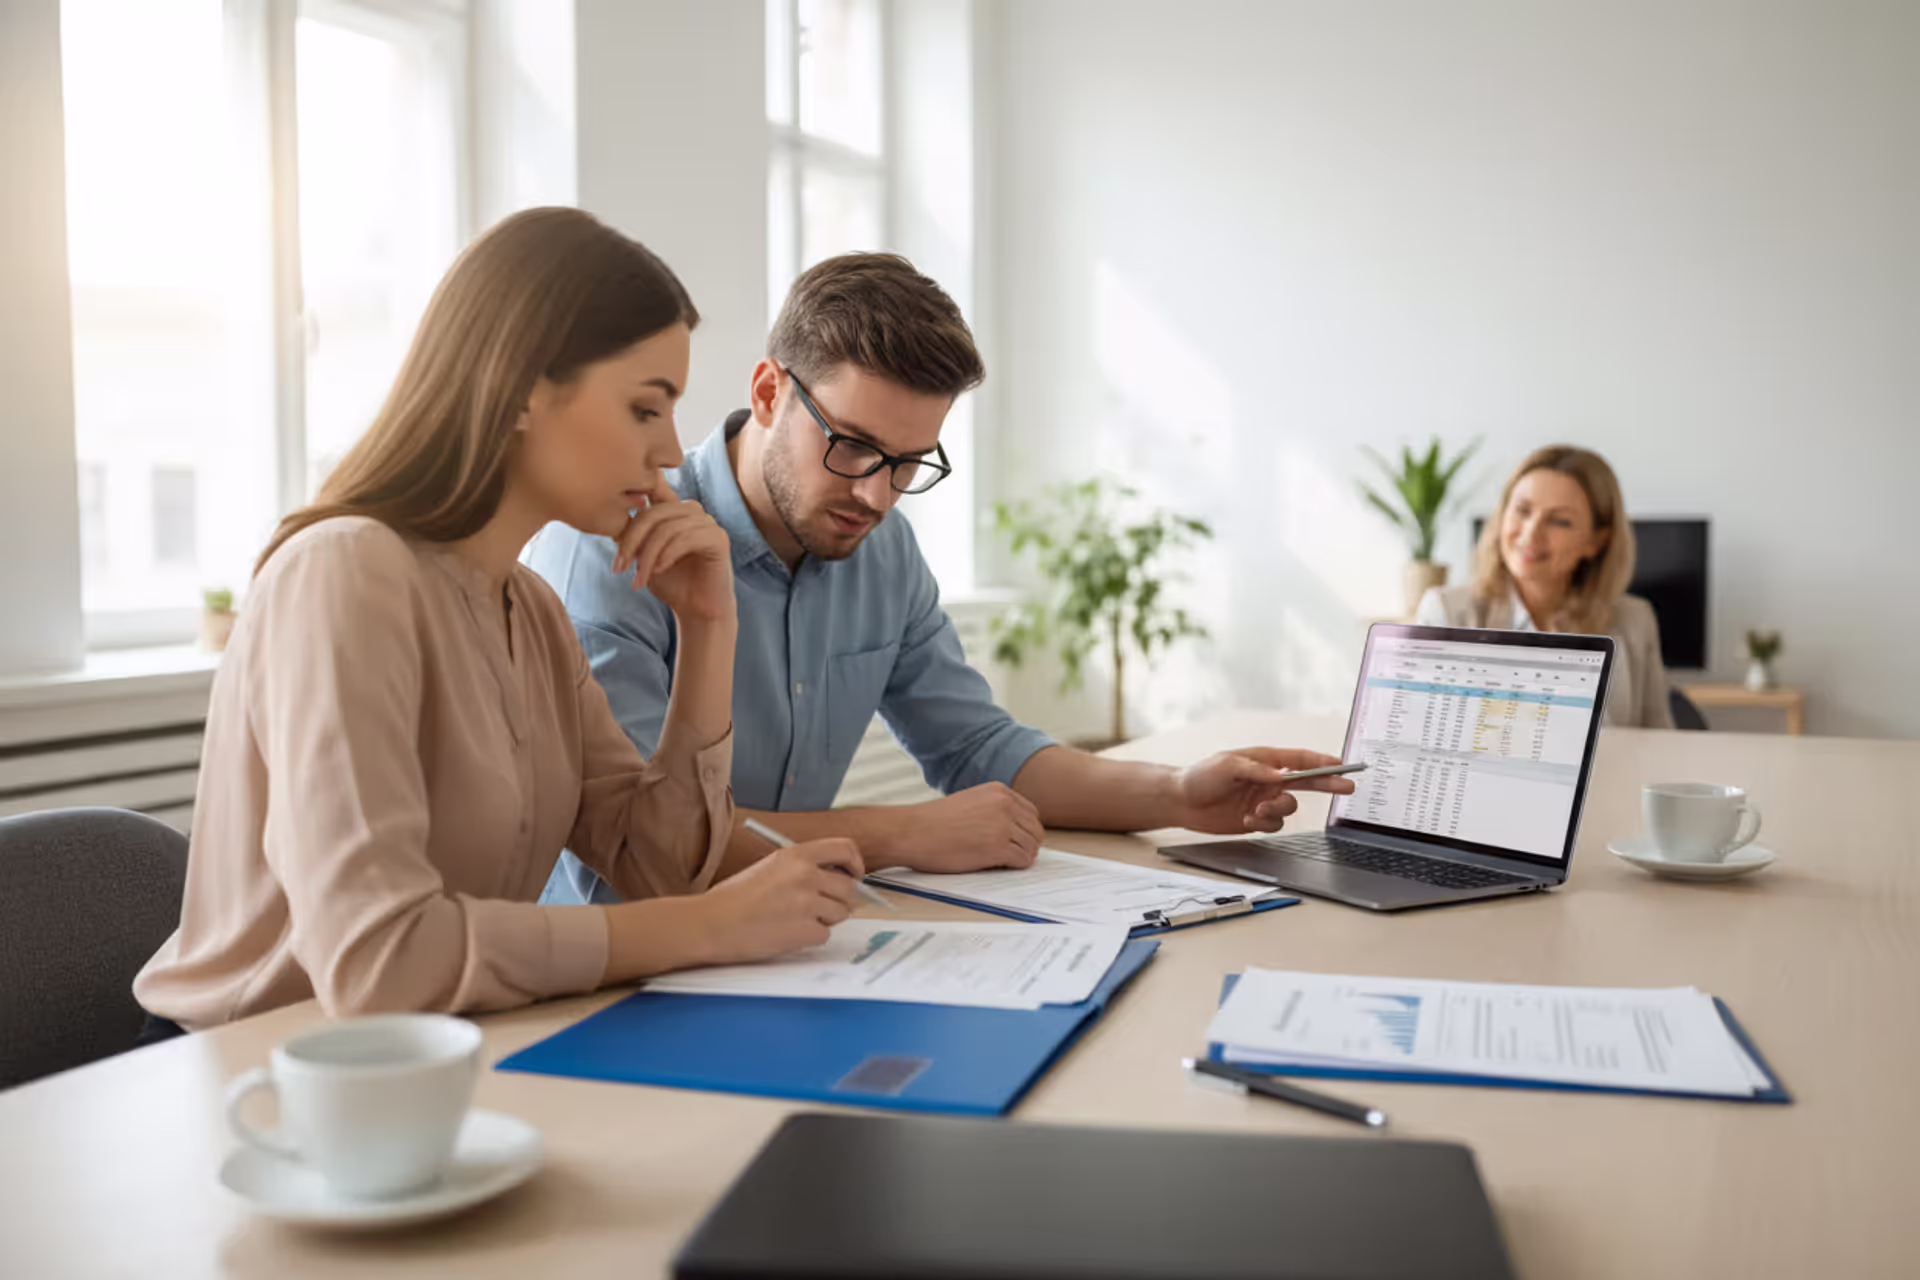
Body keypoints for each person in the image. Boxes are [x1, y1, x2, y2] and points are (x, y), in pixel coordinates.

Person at [134, 208, 866, 1035]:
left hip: (439, 1061)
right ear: (521, 388)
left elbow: (658, 866)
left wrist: (709, 626)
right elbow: (382, 960)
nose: (670, 452)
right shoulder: (343, 572)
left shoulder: (533, 611)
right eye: (644, 408)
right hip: (258, 1074)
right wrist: (707, 930)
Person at [530, 252, 1354, 908]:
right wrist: (898, 835)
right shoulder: (611, 548)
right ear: (770, 391)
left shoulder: (880, 549)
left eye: (908, 463)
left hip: (790, 945)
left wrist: (1175, 794)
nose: (875, 494)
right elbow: (646, 848)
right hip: (619, 974)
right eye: (851, 446)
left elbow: (978, 748)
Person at [1416, 445, 1674, 728]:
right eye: (1522, 510)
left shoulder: (1636, 619)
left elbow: (1660, 737)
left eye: (1560, 521)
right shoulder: (1446, 614)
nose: (1531, 533)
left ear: (1596, 541)